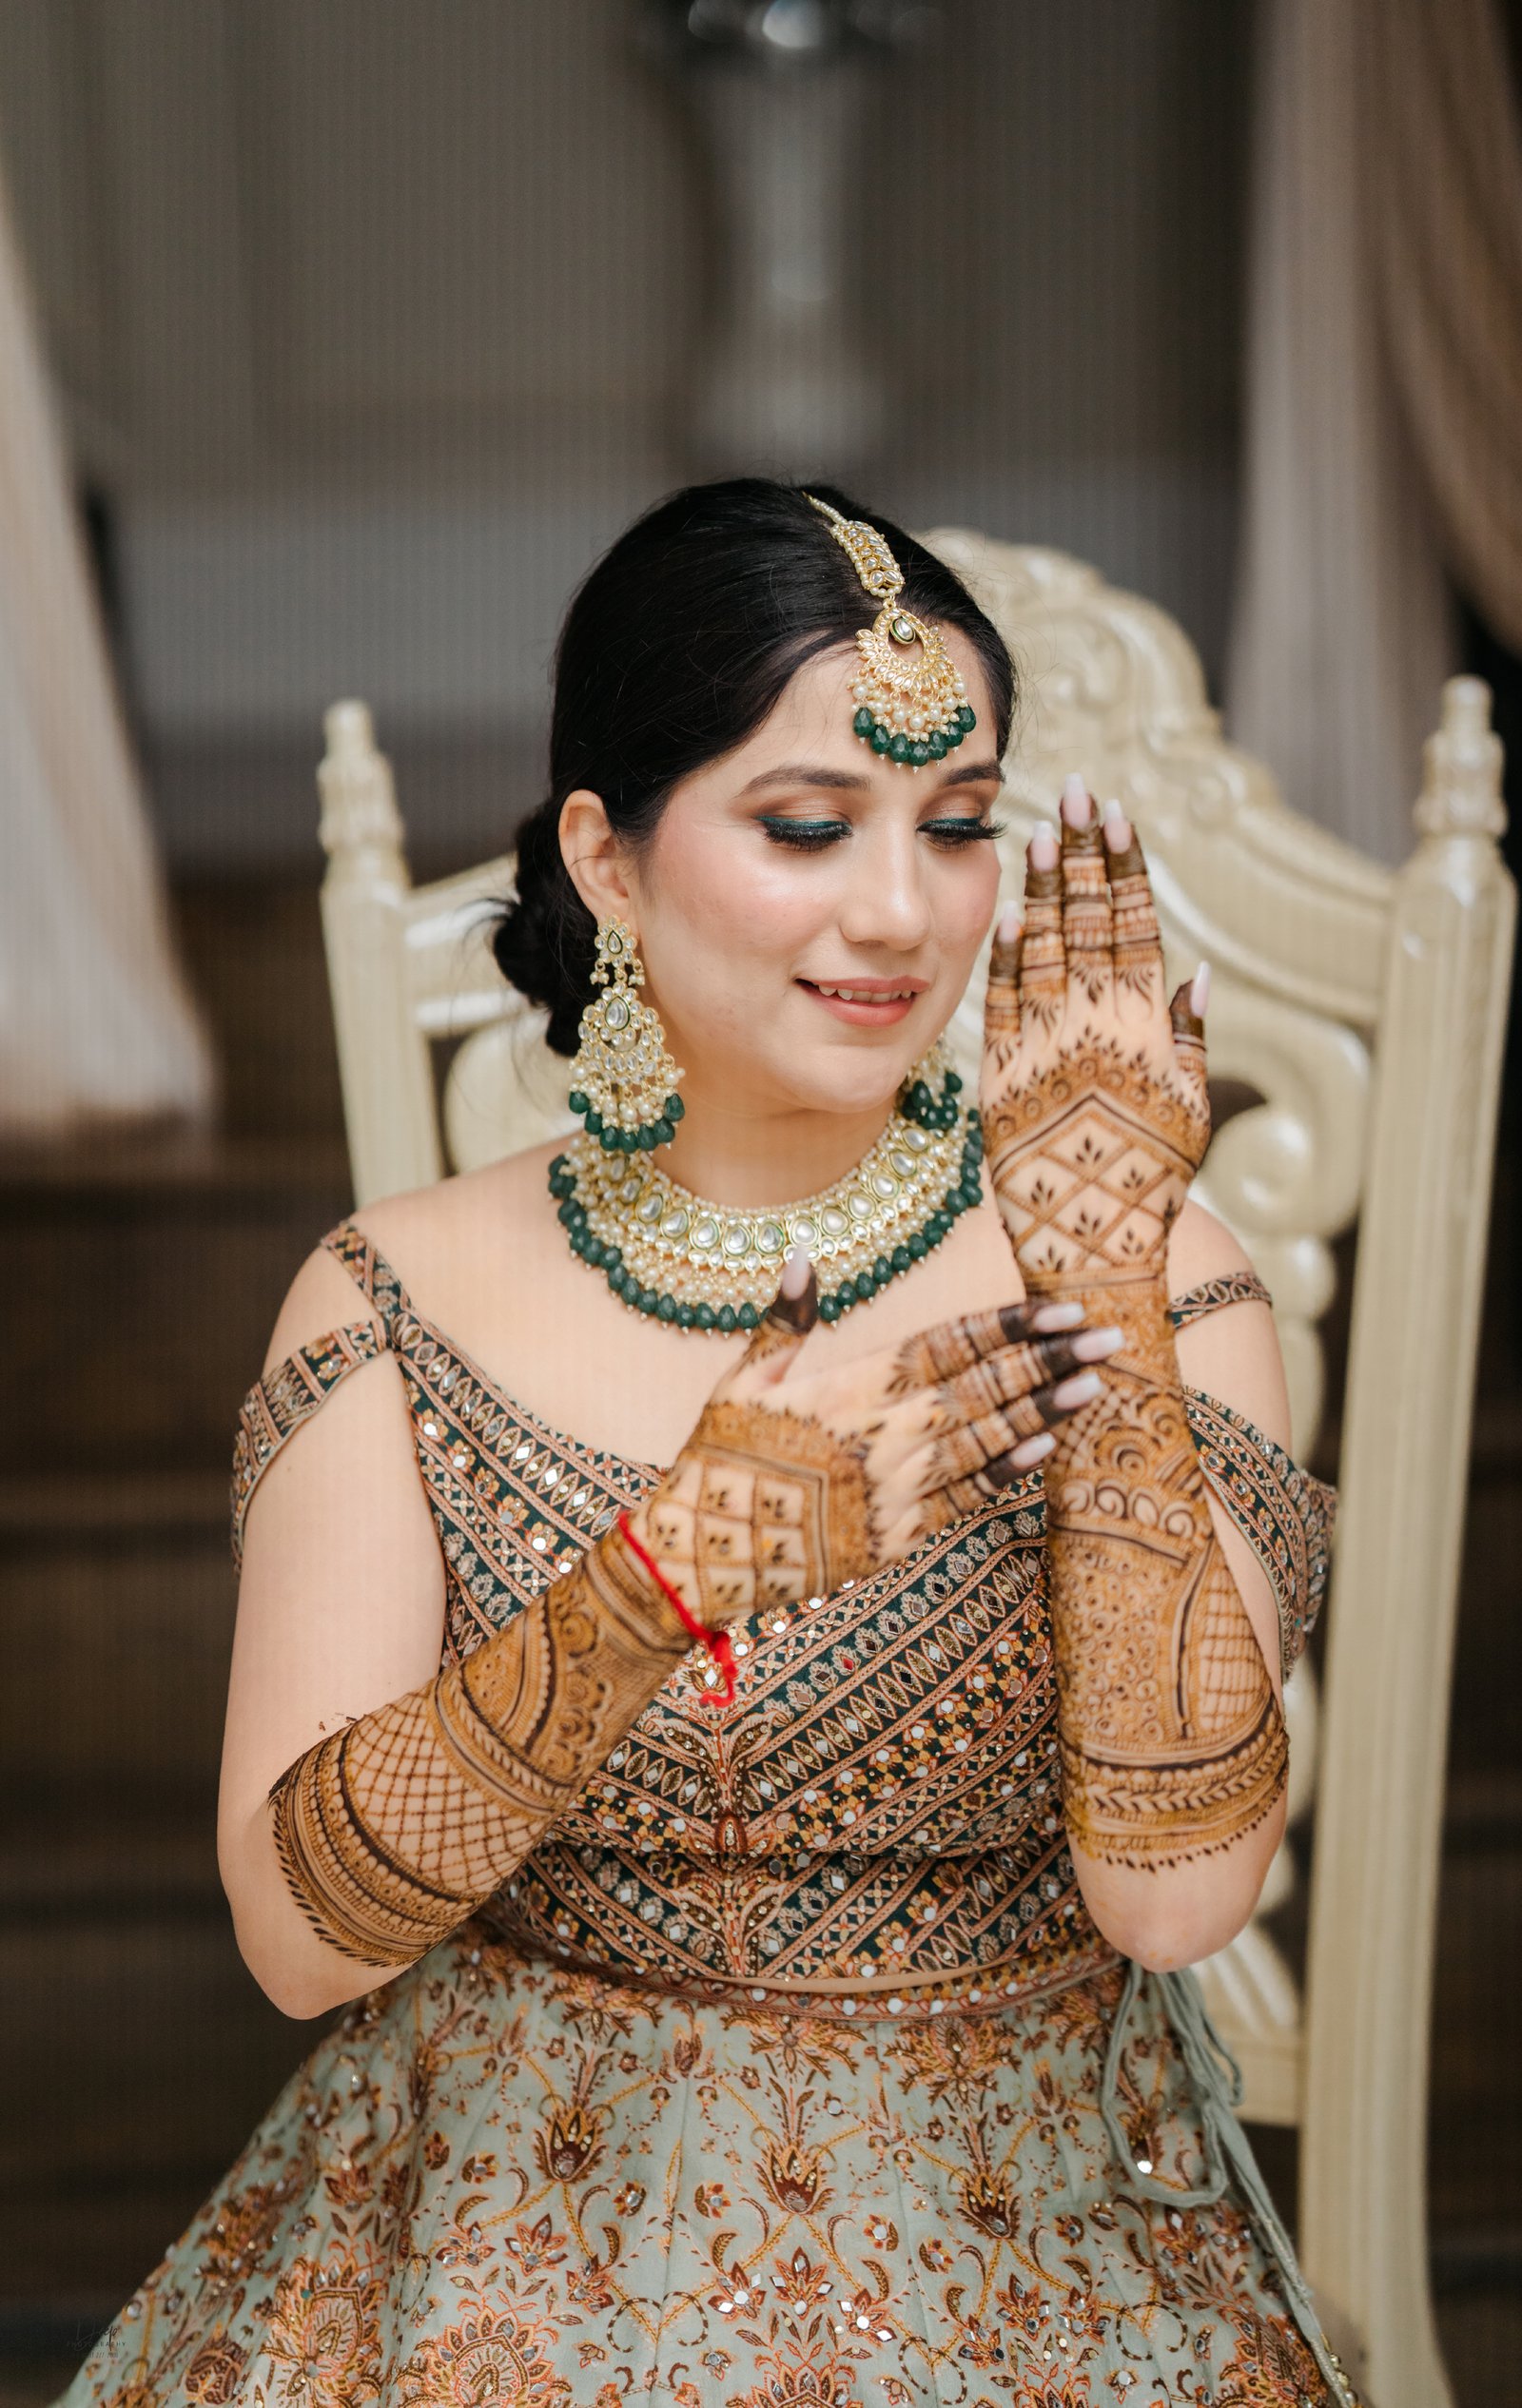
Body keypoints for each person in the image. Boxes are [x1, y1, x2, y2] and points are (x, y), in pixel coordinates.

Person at [61, 481, 1348, 2407]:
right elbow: (300, 1945)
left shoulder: (1139, 1258)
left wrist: (1100, 1277)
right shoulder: (396, 1300)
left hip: (1022, 2258)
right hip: (495, 2246)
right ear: (607, 856)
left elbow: (1172, 1906)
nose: (902, 912)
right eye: (807, 826)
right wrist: (662, 1585)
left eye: (960, 825)